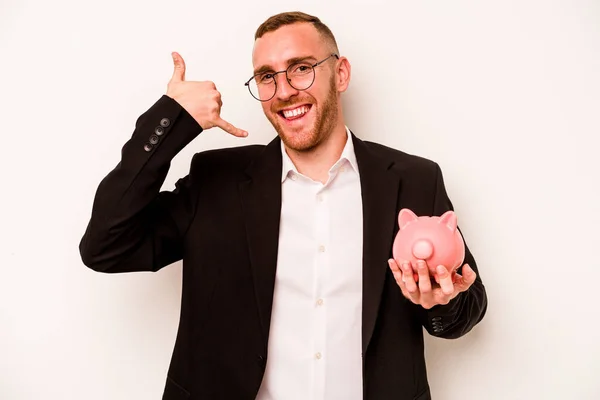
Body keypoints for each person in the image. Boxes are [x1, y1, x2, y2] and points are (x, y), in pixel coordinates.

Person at [79, 11, 487, 400]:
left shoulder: (413, 180)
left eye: (301, 67)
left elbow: (467, 306)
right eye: (267, 77)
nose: (284, 90)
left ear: (340, 73)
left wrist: (443, 300)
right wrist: (171, 120)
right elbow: (105, 245)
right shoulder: (215, 181)